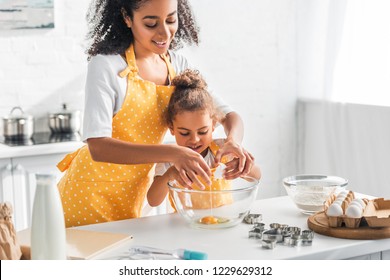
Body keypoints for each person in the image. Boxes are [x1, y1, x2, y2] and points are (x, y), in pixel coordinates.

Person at [57, 0, 255, 228]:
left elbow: (228, 116)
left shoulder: (177, 65)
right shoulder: (106, 66)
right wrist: (171, 153)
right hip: (88, 194)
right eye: (151, 24)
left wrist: (232, 142)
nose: (164, 32)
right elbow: (98, 146)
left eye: (171, 20)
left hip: (135, 195)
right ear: (127, 18)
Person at [147, 69, 261, 208]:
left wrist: (243, 167)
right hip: (185, 225)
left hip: (222, 222)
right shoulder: (169, 160)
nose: (194, 139)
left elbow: (257, 176)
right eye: (184, 133)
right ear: (172, 128)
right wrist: (169, 175)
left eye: (202, 132)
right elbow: (153, 201)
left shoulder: (222, 150)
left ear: (213, 125)